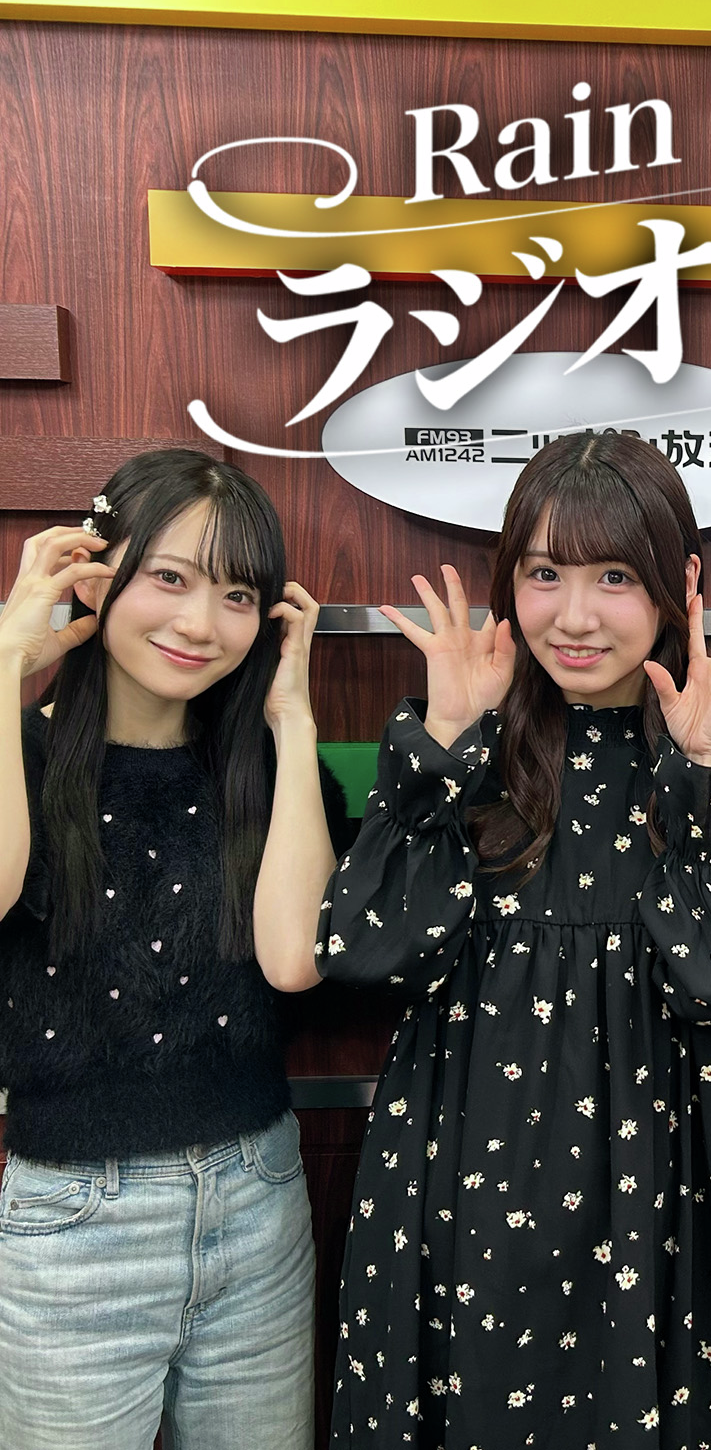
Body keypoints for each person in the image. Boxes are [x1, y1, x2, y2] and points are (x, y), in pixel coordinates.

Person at [316, 429, 711, 1450]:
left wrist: (703, 780)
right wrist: (444, 749)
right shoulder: (463, 756)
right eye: (544, 574)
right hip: (454, 1187)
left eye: (614, 577)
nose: (574, 616)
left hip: (644, 1199)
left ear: (679, 586)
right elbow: (361, 950)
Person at [0, 448, 347, 1448]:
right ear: (93, 573)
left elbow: (294, 960)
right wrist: (9, 662)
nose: (201, 624)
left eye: (237, 595)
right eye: (169, 577)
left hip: (260, 1200)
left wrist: (292, 718)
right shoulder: (23, 753)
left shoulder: (271, 773)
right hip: (73, 1225)